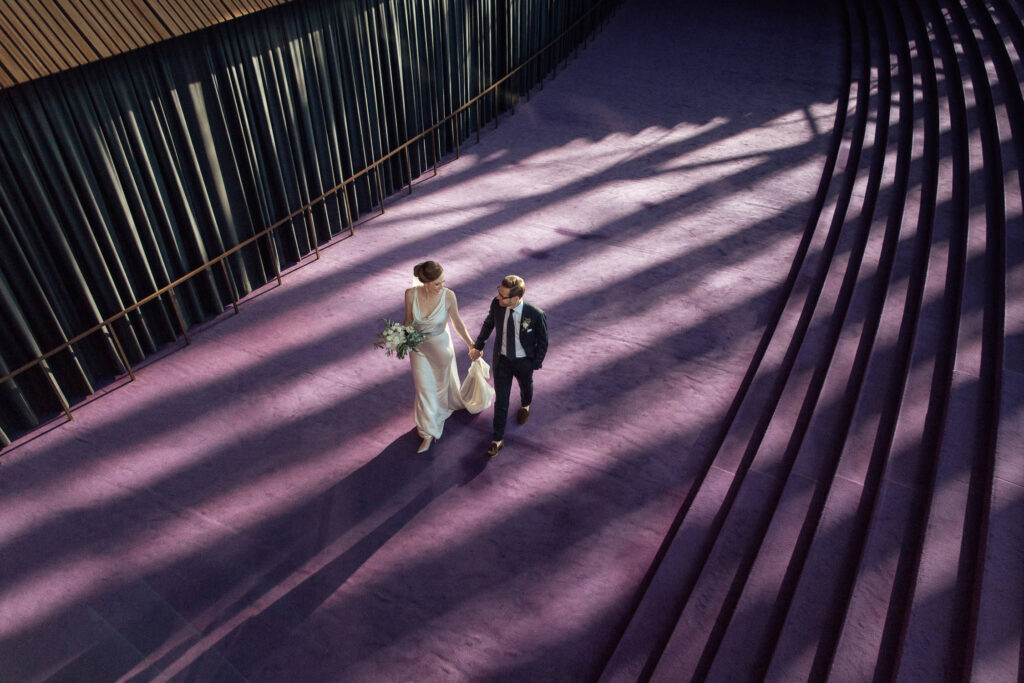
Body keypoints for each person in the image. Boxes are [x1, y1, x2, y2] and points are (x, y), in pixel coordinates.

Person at [469, 275, 548, 457]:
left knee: (525, 386)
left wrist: (535, 363)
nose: (498, 297)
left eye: (502, 296)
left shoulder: (535, 314)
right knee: (501, 402)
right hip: (502, 361)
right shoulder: (497, 305)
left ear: (515, 299)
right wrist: (478, 345)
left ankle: (526, 405)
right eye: (498, 292)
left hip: (524, 362)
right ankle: (497, 440)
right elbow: (489, 324)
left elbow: (543, 341)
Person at [405, 261, 477, 453]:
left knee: (438, 390)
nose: (441, 286)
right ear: (424, 282)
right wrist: (399, 336)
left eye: (443, 281)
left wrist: (471, 345)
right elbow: (408, 322)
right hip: (418, 349)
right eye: (437, 283)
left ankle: (442, 410)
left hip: (441, 351)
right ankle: (428, 433)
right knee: (424, 390)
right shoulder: (411, 294)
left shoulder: (449, 296)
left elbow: (458, 324)